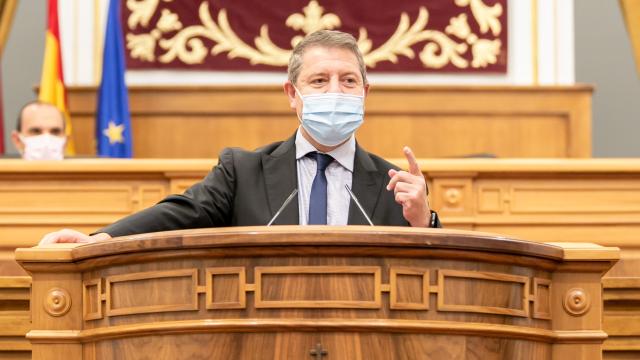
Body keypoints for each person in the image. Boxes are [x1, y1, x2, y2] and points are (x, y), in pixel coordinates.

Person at [38, 30, 440, 245]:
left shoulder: (396, 186)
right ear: (292, 94)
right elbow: (178, 213)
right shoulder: (243, 171)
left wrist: (425, 223)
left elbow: (434, 276)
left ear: (365, 94)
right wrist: (99, 238)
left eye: (348, 81)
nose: (335, 91)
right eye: (319, 81)